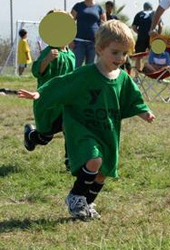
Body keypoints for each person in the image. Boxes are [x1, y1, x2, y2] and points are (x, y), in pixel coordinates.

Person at [18, 20, 155, 220]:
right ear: (100, 49)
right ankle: (75, 196)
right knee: (94, 160)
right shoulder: (85, 74)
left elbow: (133, 99)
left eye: (124, 54)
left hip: (107, 130)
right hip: (83, 129)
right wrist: (39, 94)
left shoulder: (123, 78)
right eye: (115, 52)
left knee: (102, 172)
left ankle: (87, 204)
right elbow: (62, 84)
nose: (120, 58)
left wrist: (144, 112)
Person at [24, 10, 76, 168]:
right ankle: (30, 135)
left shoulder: (71, 55)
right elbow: (36, 71)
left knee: (71, 128)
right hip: (49, 103)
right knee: (45, 137)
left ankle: (70, 161)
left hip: (65, 103)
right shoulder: (49, 52)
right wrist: (47, 60)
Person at [71, 0, 106, 67]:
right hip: (79, 42)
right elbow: (70, 23)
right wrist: (70, 40)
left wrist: (101, 42)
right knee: (76, 67)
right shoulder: (78, 6)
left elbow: (104, 26)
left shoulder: (99, 8)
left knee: (91, 67)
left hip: (94, 43)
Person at [132, 2, 162, 79]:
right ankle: (159, 76)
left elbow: (134, 27)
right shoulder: (155, 13)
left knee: (139, 57)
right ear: (151, 7)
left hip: (141, 38)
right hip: (152, 38)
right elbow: (161, 25)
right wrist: (158, 36)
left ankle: (136, 77)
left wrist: (140, 33)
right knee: (157, 56)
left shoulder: (139, 14)